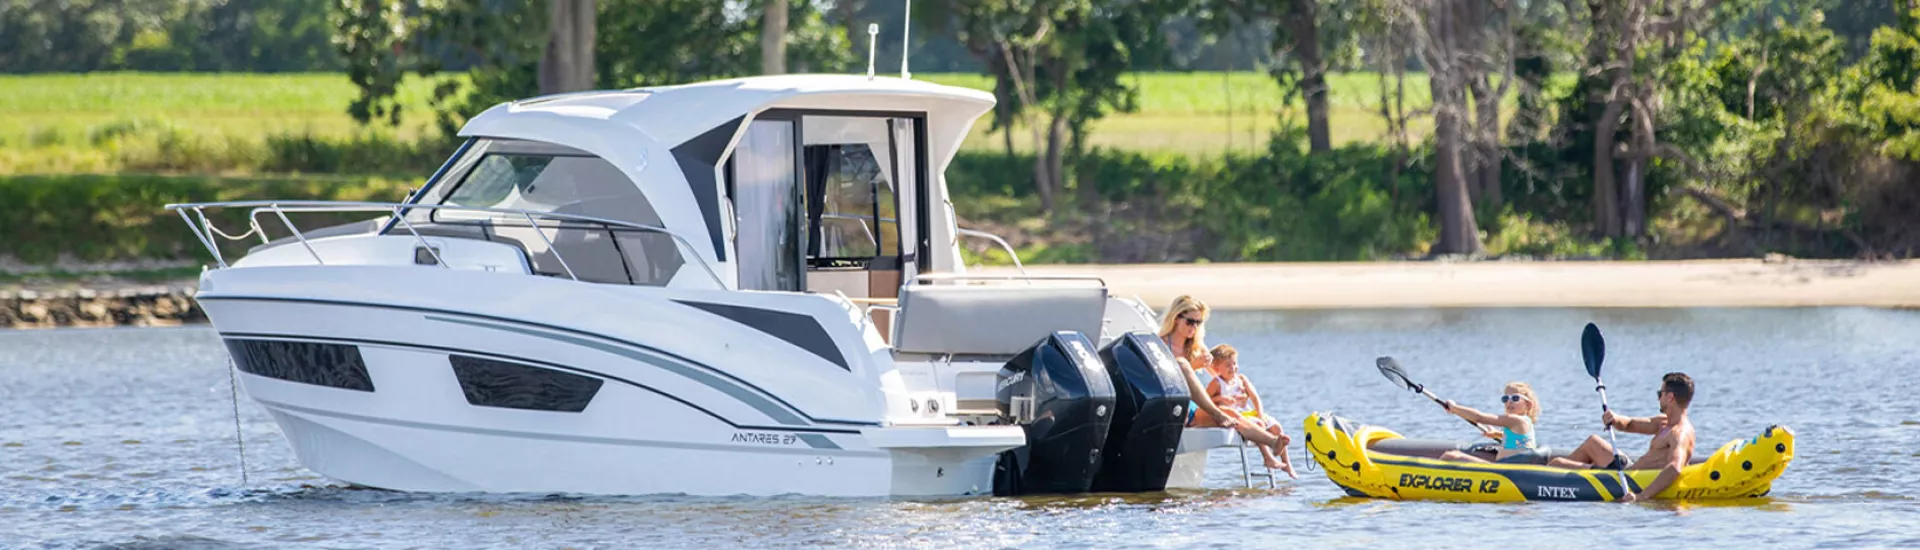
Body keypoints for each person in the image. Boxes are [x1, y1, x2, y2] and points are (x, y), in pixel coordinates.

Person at [1546, 372, 1697, 503]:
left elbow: (1675, 468)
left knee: (1556, 464)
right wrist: (1614, 418)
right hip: (1628, 470)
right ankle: (1572, 480)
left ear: (1670, 397)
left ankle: (1549, 480)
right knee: (1593, 442)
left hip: (1627, 479)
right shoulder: (1663, 423)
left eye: (1660, 394)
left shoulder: (1680, 432)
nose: (1658, 398)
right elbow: (1629, 424)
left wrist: (1641, 497)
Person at [1206, 344, 1297, 477]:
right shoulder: (1216, 383)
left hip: (1248, 412)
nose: (1233, 368)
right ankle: (1268, 457)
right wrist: (1221, 398)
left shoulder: (1241, 379)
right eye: (1228, 365)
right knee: (1257, 425)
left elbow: (1255, 398)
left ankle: (1287, 463)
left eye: (1234, 364)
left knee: (1276, 427)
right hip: (1235, 417)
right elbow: (1204, 401)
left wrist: (1260, 415)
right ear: (1216, 368)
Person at [1437, 382, 1542, 463]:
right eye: (1505, 398)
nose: (1509, 402)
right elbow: (1519, 439)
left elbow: (1479, 417)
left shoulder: (1515, 420)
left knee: (1451, 456)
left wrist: (1454, 408)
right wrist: (1496, 433)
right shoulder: (1524, 422)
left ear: (1528, 404)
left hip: (1505, 472)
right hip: (1508, 467)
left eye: (1515, 398)